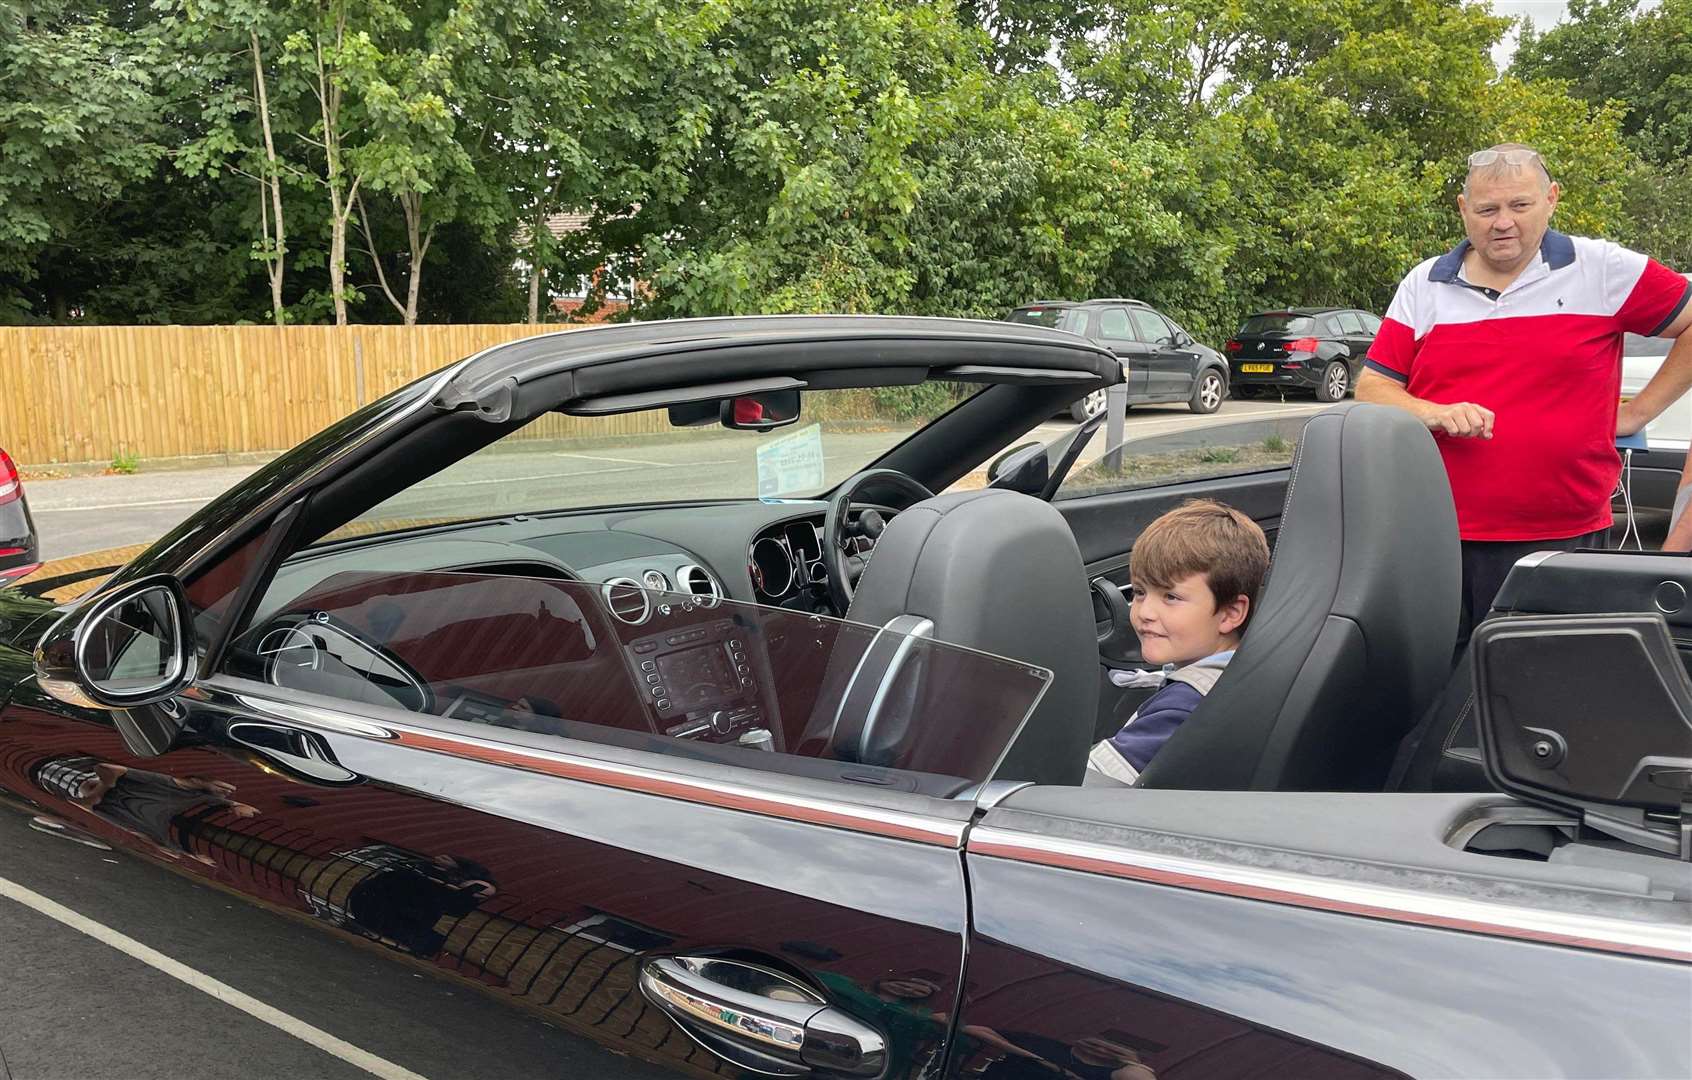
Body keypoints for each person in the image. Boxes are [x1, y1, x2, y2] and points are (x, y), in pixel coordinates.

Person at [1358, 143, 1692, 646]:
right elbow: (1373, 387)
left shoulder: (1602, 267)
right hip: (1437, 531)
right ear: (1463, 209)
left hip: (1563, 532)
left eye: (1520, 205)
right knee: (1441, 685)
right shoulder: (1424, 283)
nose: (1503, 223)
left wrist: (1639, 411)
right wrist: (1435, 412)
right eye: (1488, 209)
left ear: (1551, 199)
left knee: (1545, 683)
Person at [1085, 500, 1269, 786]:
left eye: (1171, 597)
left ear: (1230, 613)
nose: (1144, 612)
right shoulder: (1237, 673)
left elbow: (1091, 783)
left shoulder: (1184, 708)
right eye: (1140, 592)